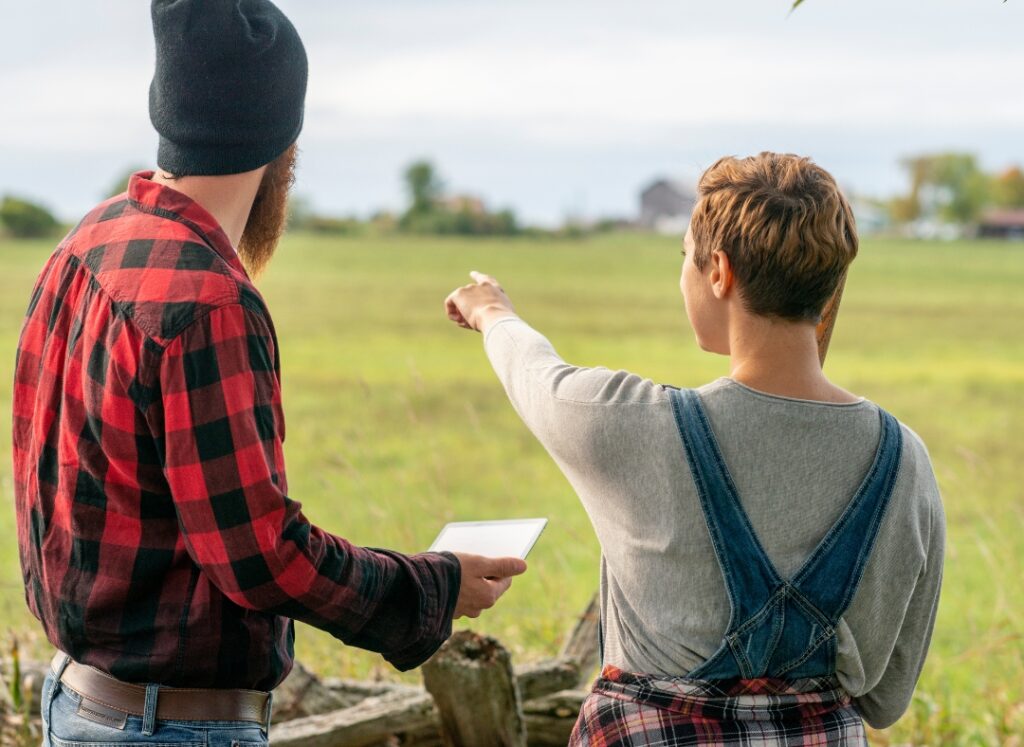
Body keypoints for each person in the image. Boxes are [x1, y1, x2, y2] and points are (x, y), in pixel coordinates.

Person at [14, 1, 525, 744]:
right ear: (282, 142)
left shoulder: (88, 241)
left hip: (76, 699)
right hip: (167, 726)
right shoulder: (212, 301)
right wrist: (433, 584)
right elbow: (259, 555)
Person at [445, 152, 945, 744]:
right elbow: (885, 699)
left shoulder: (635, 424)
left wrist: (492, 310)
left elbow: (536, 374)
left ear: (719, 272)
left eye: (684, 256)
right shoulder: (903, 460)